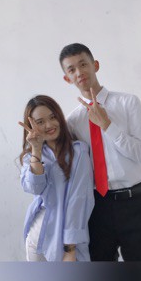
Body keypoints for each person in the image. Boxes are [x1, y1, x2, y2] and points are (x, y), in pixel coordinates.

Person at [59, 43, 141, 261]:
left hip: (135, 203)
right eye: (72, 69)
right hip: (97, 208)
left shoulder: (128, 102)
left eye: (83, 64)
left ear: (95, 65)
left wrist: (107, 125)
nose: (79, 72)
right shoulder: (73, 122)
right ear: (67, 79)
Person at [18, 95, 94, 262]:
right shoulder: (31, 156)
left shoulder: (78, 151)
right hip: (37, 236)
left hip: (65, 239)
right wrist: (36, 150)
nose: (49, 125)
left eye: (52, 117)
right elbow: (34, 188)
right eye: (40, 122)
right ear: (32, 126)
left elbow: (79, 200)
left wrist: (70, 248)